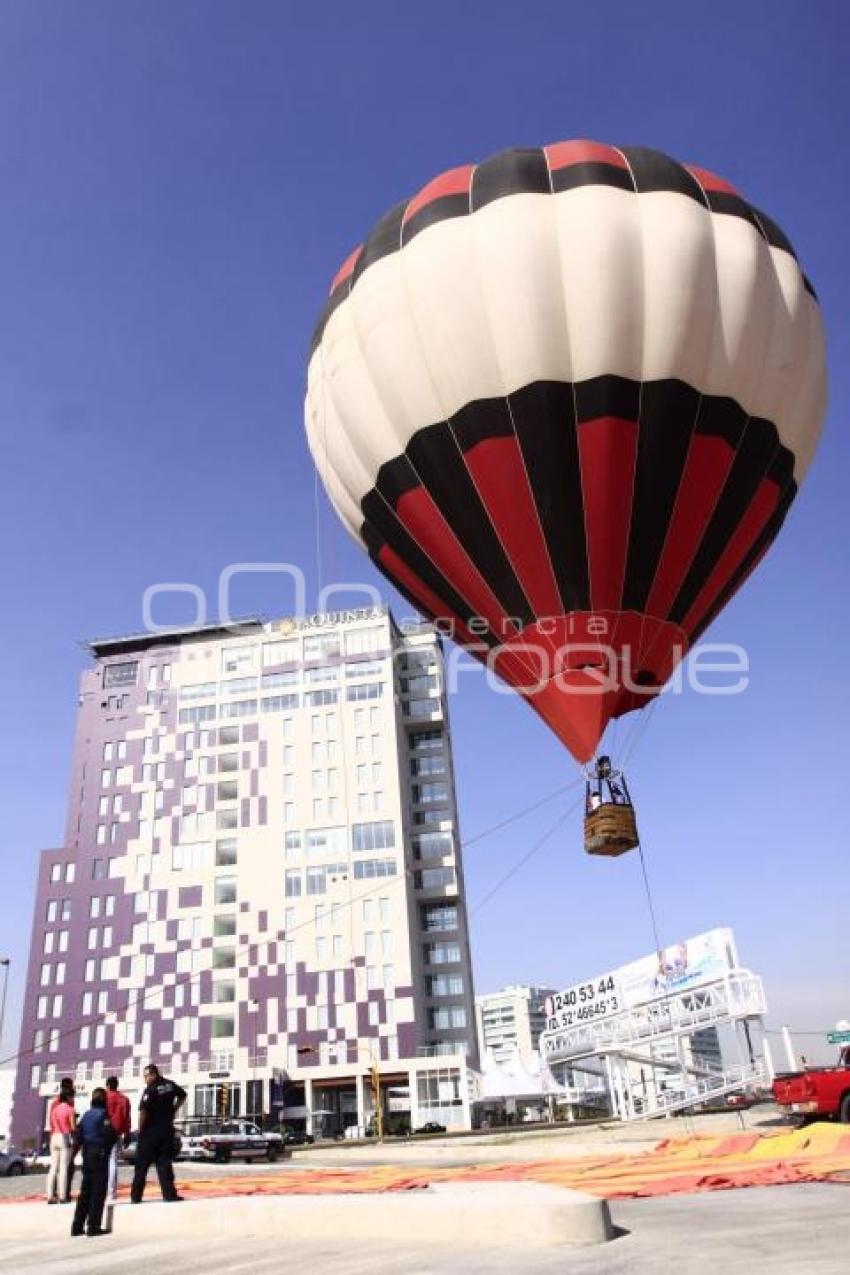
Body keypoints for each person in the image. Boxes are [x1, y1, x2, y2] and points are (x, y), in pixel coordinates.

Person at [130, 1063, 186, 1203]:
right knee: (164, 1164)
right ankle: (169, 1195)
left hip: (150, 1131)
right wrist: (174, 1109)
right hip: (166, 1130)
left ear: (153, 1074)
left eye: (146, 1076)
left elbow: (143, 1111)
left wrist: (140, 1130)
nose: (145, 1079)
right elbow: (183, 1095)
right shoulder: (170, 1085)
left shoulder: (150, 1090)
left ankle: (136, 1197)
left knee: (141, 1166)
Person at [71, 1088, 116, 1237]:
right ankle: (93, 1226)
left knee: (85, 1191)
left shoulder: (86, 1115)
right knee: (98, 1191)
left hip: (87, 1154)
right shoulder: (104, 1115)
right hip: (99, 1153)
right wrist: (107, 1149)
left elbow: (78, 1136)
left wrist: (73, 1154)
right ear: (104, 1100)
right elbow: (110, 1135)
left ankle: (77, 1226)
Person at [45, 1078, 77, 1204]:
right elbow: (73, 1127)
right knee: (63, 1167)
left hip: (54, 1137)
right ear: (68, 1096)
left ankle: (50, 1196)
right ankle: (63, 1196)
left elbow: (51, 1124)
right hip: (65, 1137)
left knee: (53, 1168)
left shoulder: (54, 1108)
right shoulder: (70, 1109)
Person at [105, 1075, 131, 1200]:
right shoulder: (124, 1099)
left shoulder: (104, 1097)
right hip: (117, 1133)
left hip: (104, 1132)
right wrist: (127, 1134)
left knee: (103, 1162)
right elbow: (127, 1118)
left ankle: (102, 1189)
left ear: (108, 1085)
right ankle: (112, 1192)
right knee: (113, 1161)